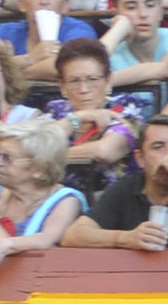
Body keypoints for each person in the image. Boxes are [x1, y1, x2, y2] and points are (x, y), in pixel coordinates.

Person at [66, 112, 168, 251]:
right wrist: (125, 238)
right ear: (140, 158)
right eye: (158, 147)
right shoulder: (127, 187)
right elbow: (73, 235)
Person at [0, 114, 83, 271]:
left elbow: (46, 238)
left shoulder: (66, 200)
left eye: (7, 158)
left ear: (39, 169)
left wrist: (7, 244)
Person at [42, 37, 143, 199]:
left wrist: (47, 156)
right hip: (59, 203)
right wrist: (78, 118)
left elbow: (103, 151)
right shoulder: (55, 110)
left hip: (112, 203)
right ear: (62, 86)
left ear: (108, 80)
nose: (83, 89)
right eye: (74, 81)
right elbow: (31, 147)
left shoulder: (126, 106)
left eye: (92, 79)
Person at [0, 0, 95, 84]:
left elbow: (67, 68)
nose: (44, 1)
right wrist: (31, 58)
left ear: (65, 5)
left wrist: (8, 67)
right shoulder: (6, 32)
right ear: (21, 3)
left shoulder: (79, 31)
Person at [98, 0, 168, 91]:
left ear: (161, 12)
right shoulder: (112, 52)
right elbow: (88, 70)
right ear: (116, 13)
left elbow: (164, 69)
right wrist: (118, 29)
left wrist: (104, 81)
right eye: (131, 7)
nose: (143, 14)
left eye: (150, 5)